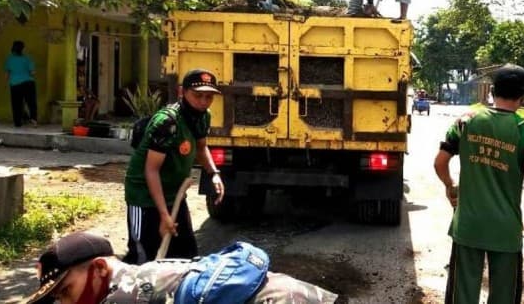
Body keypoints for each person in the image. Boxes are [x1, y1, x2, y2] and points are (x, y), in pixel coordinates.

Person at [434, 64, 524, 304]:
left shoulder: (466, 121)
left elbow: (440, 162)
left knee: (462, 294)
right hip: (505, 229)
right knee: (504, 296)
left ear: (492, 91)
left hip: (468, 224)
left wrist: (450, 186)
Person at [25, 231, 339, 304]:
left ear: (100, 269)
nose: (65, 303)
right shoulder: (144, 273)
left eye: (66, 291)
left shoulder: (124, 296)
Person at [123, 69, 225, 264]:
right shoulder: (167, 122)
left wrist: (214, 173)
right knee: (144, 259)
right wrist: (164, 215)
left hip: (175, 195)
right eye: (198, 96)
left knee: (186, 257)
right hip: (144, 198)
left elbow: (202, 148)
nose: (203, 101)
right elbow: (151, 171)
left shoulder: (203, 116)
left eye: (209, 97)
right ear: (182, 92)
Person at [4, 40, 37, 127]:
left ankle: (17, 123)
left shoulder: (9, 59)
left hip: (15, 84)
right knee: (31, 102)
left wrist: (6, 83)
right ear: (23, 48)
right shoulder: (28, 58)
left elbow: (7, 73)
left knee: (16, 104)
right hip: (28, 83)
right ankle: (34, 120)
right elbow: (33, 72)